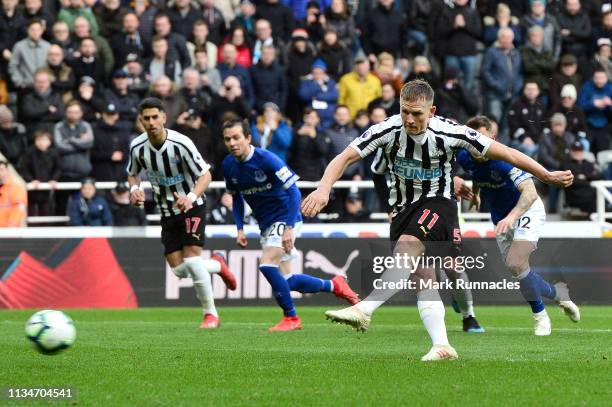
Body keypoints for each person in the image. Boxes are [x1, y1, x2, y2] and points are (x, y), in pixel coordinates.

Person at [302, 80, 574, 361]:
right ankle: (442, 345)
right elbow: (344, 157)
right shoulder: (387, 129)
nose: (409, 119)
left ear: (431, 111)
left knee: (408, 248)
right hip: (403, 208)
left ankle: (365, 309)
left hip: (439, 204)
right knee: (423, 277)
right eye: (405, 111)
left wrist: (546, 175)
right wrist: (324, 188)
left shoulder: (450, 131)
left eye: (417, 113)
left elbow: (506, 152)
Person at [221, 118, 359, 331]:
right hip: (265, 224)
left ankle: (291, 318)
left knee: (267, 264)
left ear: (248, 138)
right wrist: (239, 228)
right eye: (227, 139)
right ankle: (335, 285)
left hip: (286, 217)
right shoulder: (228, 165)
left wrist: (288, 227)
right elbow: (237, 197)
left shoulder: (267, 159)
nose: (232, 143)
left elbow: (294, 191)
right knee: (287, 279)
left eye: (236, 137)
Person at [458, 115, 580, 336]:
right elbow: (476, 174)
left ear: (492, 138)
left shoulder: (503, 158)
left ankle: (540, 317)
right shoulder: (465, 156)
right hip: (501, 217)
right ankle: (558, 294)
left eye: (483, 140)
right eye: (473, 141)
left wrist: (512, 217)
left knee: (515, 263)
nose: (478, 148)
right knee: (519, 270)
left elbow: (530, 192)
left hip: (526, 210)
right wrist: (475, 195)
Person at [127, 97, 237, 329]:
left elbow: (205, 175)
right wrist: (135, 188)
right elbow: (132, 173)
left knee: (193, 259)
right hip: (166, 210)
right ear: (141, 121)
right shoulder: (138, 147)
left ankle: (211, 315)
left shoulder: (182, 143)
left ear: (164, 118)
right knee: (179, 270)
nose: (151, 122)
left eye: (155, 117)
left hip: (192, 205)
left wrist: (191, 197)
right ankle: (218, 265)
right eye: (146, 118)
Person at [17, 129, 60, 216]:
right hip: (32, 187)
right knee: (31, 210)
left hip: (47, 188)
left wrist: (54, 179)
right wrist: (31, 180)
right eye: (39, 140)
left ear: (50, 141)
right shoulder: (29, 152)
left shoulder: (54, 153)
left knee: (45, 210)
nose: (41, 142)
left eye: (44, 140)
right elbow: (23, 168)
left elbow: (58, 168)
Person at [561, 141, 601, 213]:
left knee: (600, 199)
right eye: (575, 151)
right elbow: (572, 181)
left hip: (590, 194)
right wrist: (589, 181)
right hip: (574, 195)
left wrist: (584, 176)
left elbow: (598, 176)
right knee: (594, 202)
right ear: (571, 152)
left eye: (580, 151)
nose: (578, 153)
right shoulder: (566, 164)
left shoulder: (588, 163)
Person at [0, 159, 27, 227]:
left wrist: (12, 225)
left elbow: (18, 209)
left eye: (1, 169)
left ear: (7, 171)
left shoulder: (16, 188)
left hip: (10, 233)